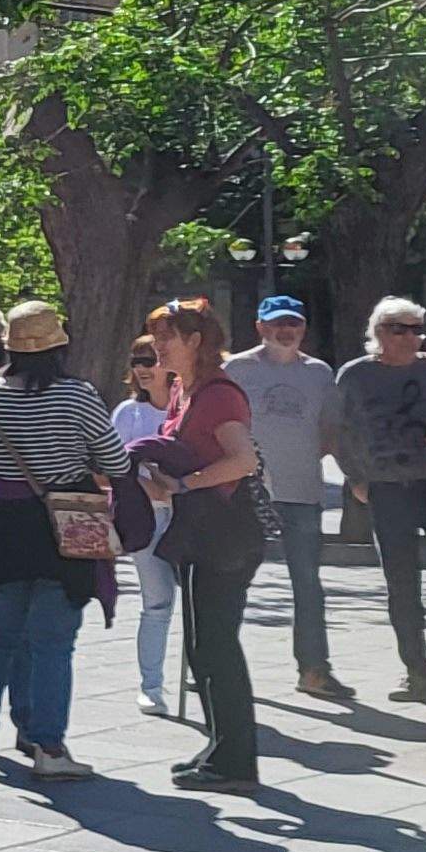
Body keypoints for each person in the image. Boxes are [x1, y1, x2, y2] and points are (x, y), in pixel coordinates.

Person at [0, 304, 125, 782]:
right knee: (52, 642)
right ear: (58, 347)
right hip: (62, 523)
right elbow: (115, 460)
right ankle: (48, 745)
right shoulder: (78, 396)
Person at [145, 300, 266, 792]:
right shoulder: (181, 390)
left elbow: (243, 460)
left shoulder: (217, 395)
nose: (156, 346)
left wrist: (185, 484)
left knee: (215, 646)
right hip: (200, 528)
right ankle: (222, 748)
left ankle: (236, 759)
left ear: (195, 341)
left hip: (225, 529)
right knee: (203, 646)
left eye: (165, 336)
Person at [337, 297, 426, 714]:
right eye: (401, 328)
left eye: (417, 329)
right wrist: (356, 479)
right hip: (387, 490)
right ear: (379, 333)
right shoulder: (356, 375)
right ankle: (417, 674)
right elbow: (338, 431)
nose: (412, 337)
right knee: (401, 586)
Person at [224, 296, 344, 694]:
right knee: (231, 580)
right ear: (260, 327)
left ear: (303, 329)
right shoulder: (236, 369)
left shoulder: (319, 373)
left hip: (303, 493)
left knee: (308, 583)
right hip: (248, 494)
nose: (286, 330)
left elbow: (329, 430)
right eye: (277, 323)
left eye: (294, 322)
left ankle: (314, 670)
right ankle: (213, 664)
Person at [115, 337, 181, 717]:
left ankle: (200, 672)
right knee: (157, 604)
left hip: (191, 517)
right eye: (137, 360)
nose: (143, 368)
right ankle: (151, 686)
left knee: (197, 602)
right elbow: (111, 465)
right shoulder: (128, 413)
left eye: (151, 360)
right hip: (148, 519)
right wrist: (149, 484)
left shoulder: (188, 407)